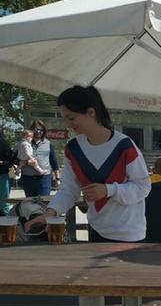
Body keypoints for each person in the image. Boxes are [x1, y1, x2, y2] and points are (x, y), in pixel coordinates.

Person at [25, 85, 151, 242]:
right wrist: (47, 215)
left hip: (129, 233)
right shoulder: (73, 149)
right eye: (65, 119)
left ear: (91, 112)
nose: (68, 124)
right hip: (96, 230)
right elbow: (68, 190)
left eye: (71, 118)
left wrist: (108, 190)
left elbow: (143, 187)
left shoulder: (124, 145)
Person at [21, 120, 60, 197]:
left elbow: (54, 162)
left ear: (44, 131)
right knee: (30, 204)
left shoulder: (48, 143)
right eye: (36, 129)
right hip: (28, 178)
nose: (38, 131)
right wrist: (26, 163)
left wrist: (57, 178)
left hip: (44, 178)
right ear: (32, 130)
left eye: (41, 129)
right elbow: (14, 159)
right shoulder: (24, 143)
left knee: (43, 202)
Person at [0, 131, 13, 215]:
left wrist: (1, 162)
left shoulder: (3, 143)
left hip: (2, 176)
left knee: (3, 203)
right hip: (3, 176)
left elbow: (10, 163)